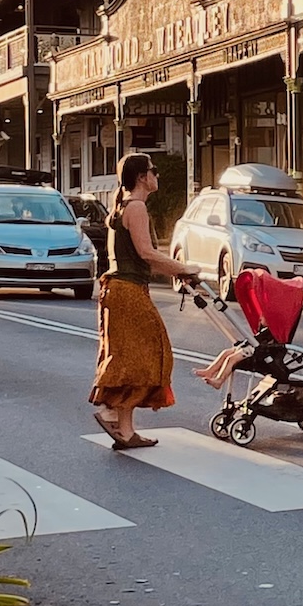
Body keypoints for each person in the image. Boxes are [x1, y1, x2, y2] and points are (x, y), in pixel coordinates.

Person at [90, 152, 198, 450]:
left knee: (130, 357)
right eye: (154, 171)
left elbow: (144, 258)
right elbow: (147, 253)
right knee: (152, 354)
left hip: (120, 289)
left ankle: (125, 430)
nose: (157, 176)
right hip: (127, 290)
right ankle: (111, 410)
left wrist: (178, 273)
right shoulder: (136, 207)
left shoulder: (123, 204)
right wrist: (184, 269)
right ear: (141, 177)